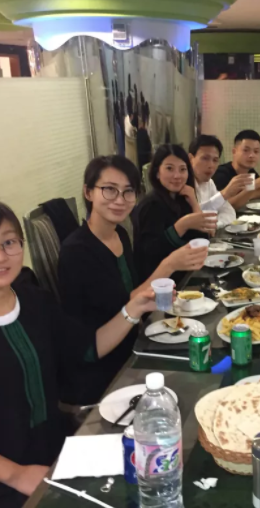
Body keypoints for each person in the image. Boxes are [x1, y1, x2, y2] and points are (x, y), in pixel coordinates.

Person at [0, 201, 160, 507]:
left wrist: (133, 309)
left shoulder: (36, 302)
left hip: (57, 455)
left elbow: (88, 347)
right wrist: (16, 475)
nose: (0, 255)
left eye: (9, 242)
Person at [58, 156, 208, 406]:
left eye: (128, 192)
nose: (120, 200)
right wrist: (169, 265)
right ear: (88, 192)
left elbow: (131, 297)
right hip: (102, 367)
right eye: (109, 189)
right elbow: (122, 308)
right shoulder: (77, 252)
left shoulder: (119, 234)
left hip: (133, 344)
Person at [133, 144, 216, 283]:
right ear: (157, 172)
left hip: (184, 277)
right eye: (169, 168)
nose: (177, 176)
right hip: (159, 285)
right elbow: (151, 252)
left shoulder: (182, 199)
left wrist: (194, 202)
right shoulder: (150, 205)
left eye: (182, 169)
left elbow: (203, 240)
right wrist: (181, 226)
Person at [189, 135, 251, 228]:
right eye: (205, 158)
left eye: (215, 160)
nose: (211, 165)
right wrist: (224, 194)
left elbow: (229, 212)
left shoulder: (209, 183)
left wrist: (214, 225)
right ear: (190, 159)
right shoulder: (183, 183)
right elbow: (195, 218)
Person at [211, 130, 260, 209]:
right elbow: (224, 206)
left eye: (256, 151)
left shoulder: (250, 171)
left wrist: (245, 195)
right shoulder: (221, 174)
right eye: (246, 150)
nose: (251, 155)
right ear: (234, 151)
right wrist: (254, 185)